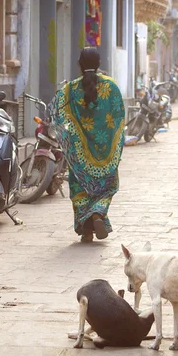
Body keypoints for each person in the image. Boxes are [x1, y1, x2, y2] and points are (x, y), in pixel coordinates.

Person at [52, 47, 125, 243]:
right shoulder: (111, 86)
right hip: (106, 153)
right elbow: (119, 119)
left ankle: (86, 231)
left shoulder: (69, 89)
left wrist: (68, 138)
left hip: (79, 154)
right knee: (107, 187)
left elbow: (56, 113)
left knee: (80, 190)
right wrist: (116, 146)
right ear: (99, 63)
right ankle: (98, 214)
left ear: (79, 64)